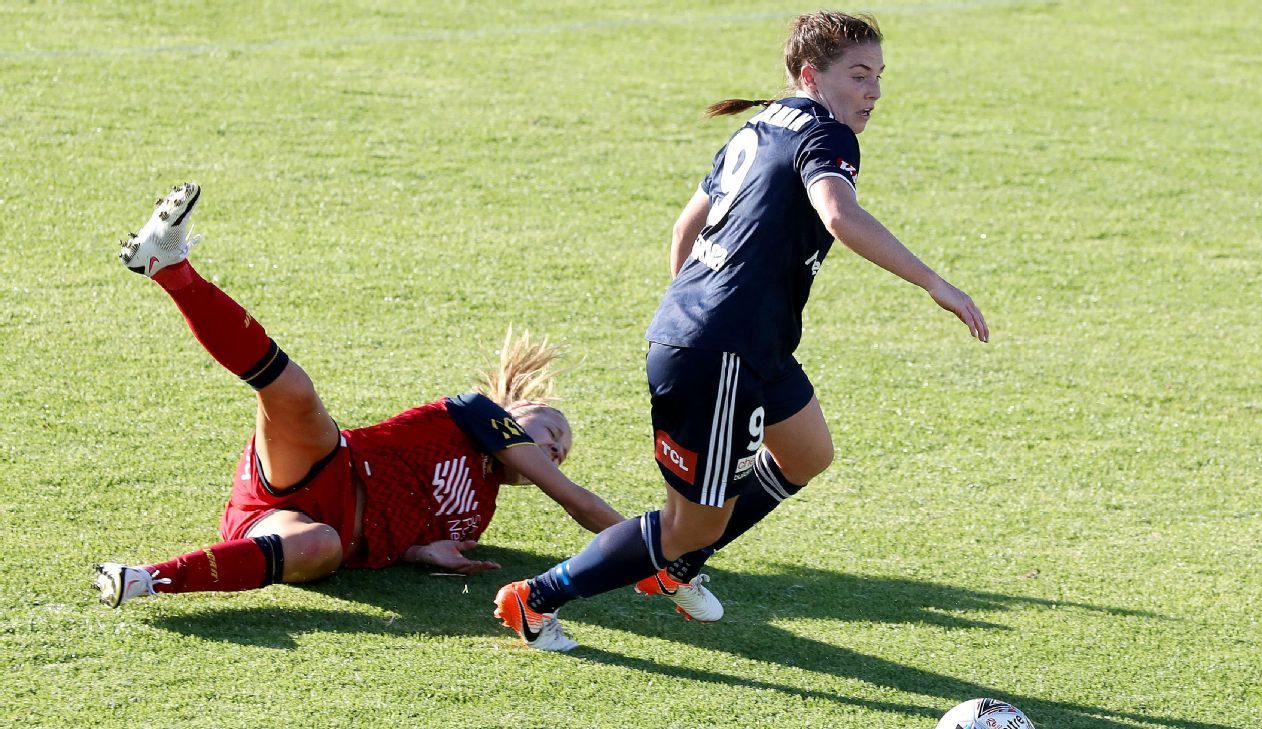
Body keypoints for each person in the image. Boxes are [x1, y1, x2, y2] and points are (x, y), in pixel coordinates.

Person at [494, 10, 988, 651]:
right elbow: (839, 216)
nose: (873, 92)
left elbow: (685, 228)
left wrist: (692, 306)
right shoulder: (828, 134)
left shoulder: (760, 125)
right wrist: (934, 283)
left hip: (745, 343)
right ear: (811, 75)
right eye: (859, 76)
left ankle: (675, 567)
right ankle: (536, 599)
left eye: (879, 77)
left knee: (808, 453)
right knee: (689, 525)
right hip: (721, 351)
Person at [94, 183, 622, 646]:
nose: (554, 451)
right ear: (516, 410)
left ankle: (143, 577)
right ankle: (171, 269)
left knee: (321, 545)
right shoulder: (476, 413)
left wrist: (420, 553)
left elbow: (404, 530)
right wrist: (659, 547)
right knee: (294, 393)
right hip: (330, 465)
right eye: (551, 431)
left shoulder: (480, 514)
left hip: (314, 529)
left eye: (562, 451)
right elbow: (572, 499)